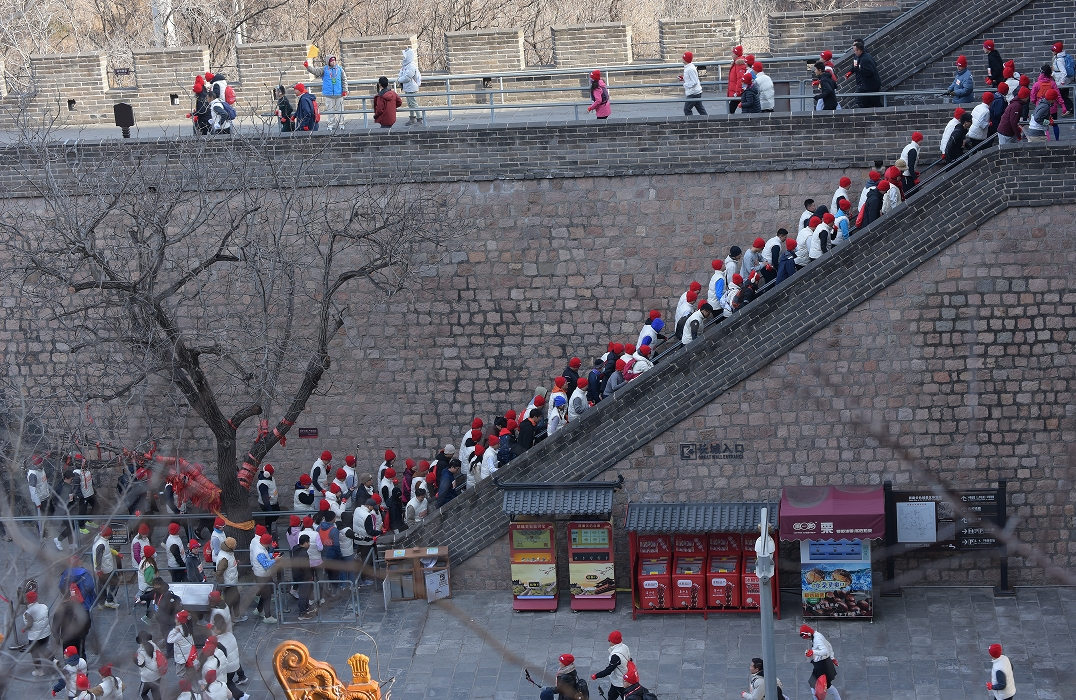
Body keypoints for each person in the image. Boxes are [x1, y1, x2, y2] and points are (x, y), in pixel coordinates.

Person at [304, 55, 347, 132]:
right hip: (329, 94)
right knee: (330, 111)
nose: (333, 62)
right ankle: (331, 124)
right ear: (328, 62)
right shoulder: (324, 69)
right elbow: (315, 71)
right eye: (331, 61)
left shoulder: (340, 69)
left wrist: (345, 90)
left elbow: (344, 80)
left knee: (341, 110)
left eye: (334, 60)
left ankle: (341, 124)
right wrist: (308, 67)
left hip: (339, 93)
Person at [591, 630, 632, 700]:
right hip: (620, 678)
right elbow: (630, 659)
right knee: (612, 694)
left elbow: (608, 670)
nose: (608, 641)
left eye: (609, 640)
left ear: (613, 641)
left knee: (624, 697)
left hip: (620, 681)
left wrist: (596, 676)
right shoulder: (624, 646)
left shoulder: (615, 656)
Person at [250, 532, 279, 622]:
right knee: (267, 596)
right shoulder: (260, 551)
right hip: (262, 576)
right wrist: (275, 560)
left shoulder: (259, 547)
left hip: (263, 574)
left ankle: (259, 610)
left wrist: (271, 555)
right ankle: (267, 616)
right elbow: (266, 565)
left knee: (265, 593)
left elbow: (265, 557)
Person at [20, 590, 51, 675]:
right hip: (46, 633)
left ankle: (39, 670)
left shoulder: (28, 612)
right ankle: (54, 660)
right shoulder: (44, 606)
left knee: (35, 653)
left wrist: (24, 628)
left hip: (35, 636)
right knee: (43, 648)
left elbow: (29, 624)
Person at [800, 624, 837, 693]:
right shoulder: (817, 635)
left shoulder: (817, 639)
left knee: (813, 684)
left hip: (822, 665)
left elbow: (825, 651)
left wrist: (813, 652)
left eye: (806, 637)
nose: (807, 639)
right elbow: (828, 645)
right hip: (824, 663)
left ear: (809, 634)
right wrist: (832, 657)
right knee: (827, 685)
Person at [847, 39, 882, 108]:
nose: (854, 52)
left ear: (859, 50)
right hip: (868, 84)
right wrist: (852, 71)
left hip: (870, 85)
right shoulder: (864, 56)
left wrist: (859, 70)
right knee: (870, 101)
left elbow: (869, 71)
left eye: (855, 51)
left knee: (865, 100)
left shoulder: (864, 59)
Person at [92, 525, 120, 608]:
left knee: (101, 585)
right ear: (106, 535)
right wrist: (98, 569)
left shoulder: (100, 541)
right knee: (116, 582)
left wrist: (116, 553)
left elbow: (106, 550)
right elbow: (98, 557)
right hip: (105, 568)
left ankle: (101, 602)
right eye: (110, 534)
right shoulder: (101, 544)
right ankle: (109, 600)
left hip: (103, 568)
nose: (110, 536)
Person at [134, 631, 164, 700]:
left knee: (142, 694)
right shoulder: (154, 645)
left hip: (147, 678)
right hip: (157, 673)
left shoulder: (140, 651)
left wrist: (135, 660)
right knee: (155, 692)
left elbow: (141, 664)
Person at [291, 534, 315, 619]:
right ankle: (302, 613)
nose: (309, 544)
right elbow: (305, 567)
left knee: (305, 594)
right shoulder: (304, 553)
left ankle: (306, 608)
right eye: (308, 542)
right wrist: (309, 576)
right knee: (303, 595)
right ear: (305, 543)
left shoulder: (295, 548)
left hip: (296, 574)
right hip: (303, 576)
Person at [168, 611, 196, 680]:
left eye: (176, 619)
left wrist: (174, 630)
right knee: (189, 671)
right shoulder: (187, 627)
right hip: (189, 654)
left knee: (180, 674)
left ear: (179, 621)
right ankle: (192, 687)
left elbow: (169, 640)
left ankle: (186, 687)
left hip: (181, 657)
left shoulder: (179, 632)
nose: (175, 620)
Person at [398, 48, 422, 126]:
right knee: (410, 103)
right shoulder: (406, 65)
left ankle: (419, 118)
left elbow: (407, 77)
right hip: (407, 87)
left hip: (411, 87)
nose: (403, 58)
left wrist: (399, 80)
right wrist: (400, 78)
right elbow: (402, 74)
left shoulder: (411, 66)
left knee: (413, 103)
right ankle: (412, 118)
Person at [678, 51, 706, 116]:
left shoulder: (690, 69)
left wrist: (685, 85)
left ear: (686, 60)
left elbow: (694, 81)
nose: (682, 59)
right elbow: (690, 78)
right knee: (700, 109)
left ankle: (690, 122)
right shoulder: (688, 67)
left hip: (693, 93)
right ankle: (707, 120)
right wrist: (683, 78)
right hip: (696, 92)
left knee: (687, 109)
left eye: (683, 58)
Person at [1051, 41, 1073, 115]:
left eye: (1053, 50)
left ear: (1056, 51)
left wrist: (1062, 82)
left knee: (1062, 96)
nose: (1052, 52)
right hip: (1064, 80)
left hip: (1062, 81)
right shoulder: (1060, 57)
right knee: (1064, 96)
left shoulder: (1059, 60)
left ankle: (1069, 109)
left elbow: (1063, 72)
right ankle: (1069, 109)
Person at [256, 464, 280, 530]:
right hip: (267, 504)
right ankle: (269, 530)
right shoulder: (263, 484)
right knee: (269, 518)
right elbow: (265, 498)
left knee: (276, 514)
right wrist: (270, 511)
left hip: (273, 501)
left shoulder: (270, 478)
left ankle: (269, 526)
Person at [727, 45, 747, 113]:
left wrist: (737, 92)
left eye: (733, 53)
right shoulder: (736, 63)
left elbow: (740, 79)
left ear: (736, 54)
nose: (732, 55)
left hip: (737, 92)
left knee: (730, 110)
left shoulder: (739, 64)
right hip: (737, 92)